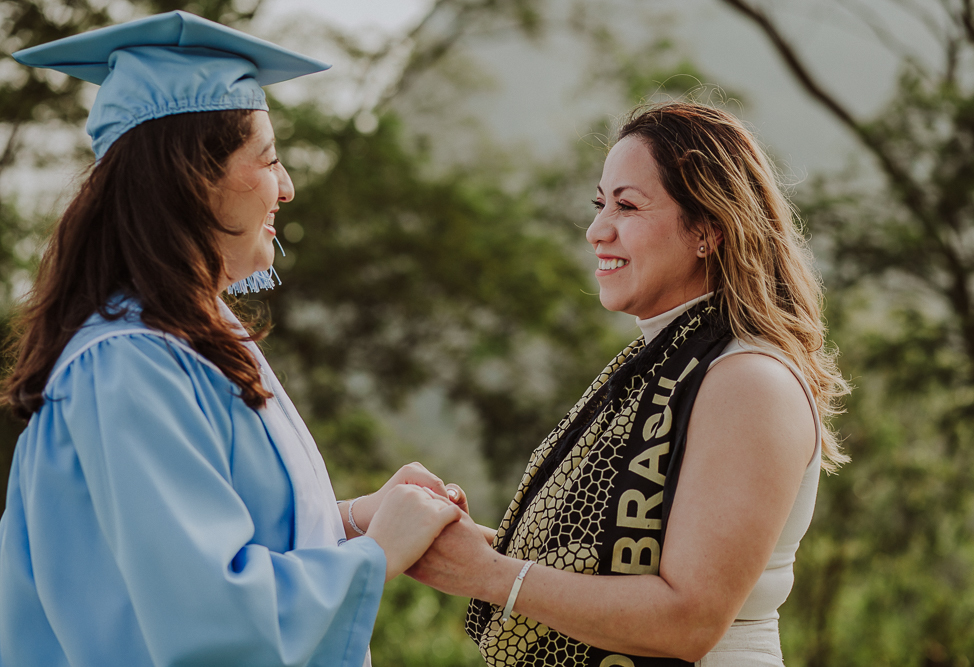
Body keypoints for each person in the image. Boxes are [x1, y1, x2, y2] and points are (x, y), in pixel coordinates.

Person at [0, 12, 464, 667]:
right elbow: (207, 612)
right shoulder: (127, 362)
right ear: (194, 180)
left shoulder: (192, 339)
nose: (288, 187)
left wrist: (359, 518)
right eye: (270, 159)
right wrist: (378, 552)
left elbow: (222, 534)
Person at [407, 102, 850, 667]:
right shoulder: (662, 362)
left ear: (707, 231)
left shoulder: (748, 380)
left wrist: (489, 575)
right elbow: (601, 566)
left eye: (627, 206)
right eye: (600, 203)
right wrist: (463, 544)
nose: (597, 230)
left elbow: (688, 620)